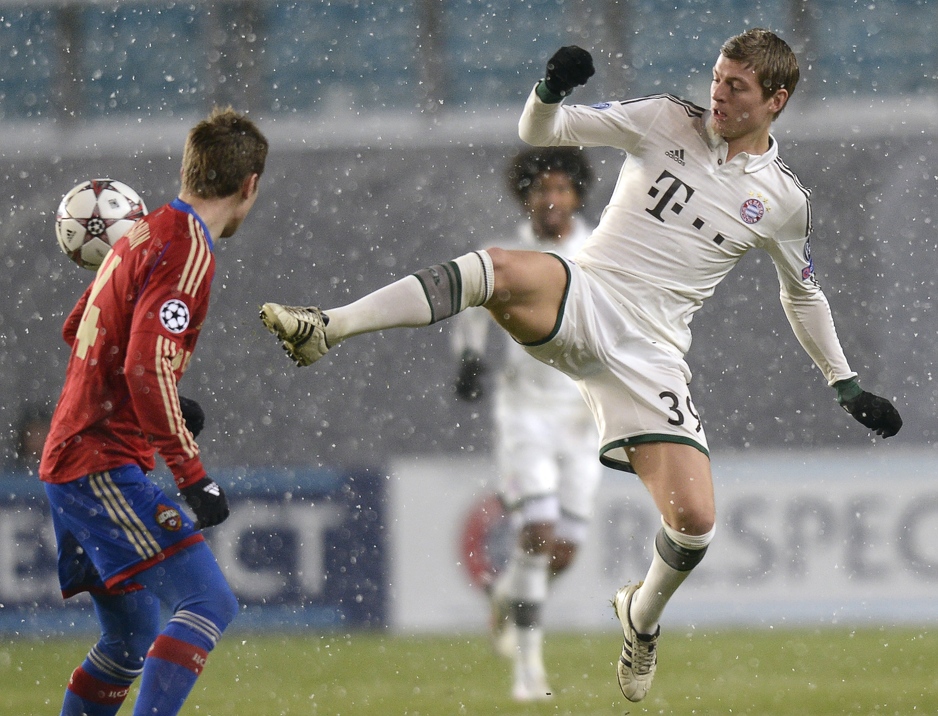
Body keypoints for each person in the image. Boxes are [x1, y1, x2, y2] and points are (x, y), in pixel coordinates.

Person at [258, 29, 902, 703]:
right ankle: (327, 328)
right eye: (716, 76)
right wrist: (550, 89)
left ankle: (640, 616)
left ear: (776, 100)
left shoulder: (782, 200)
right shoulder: (664, 118)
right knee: (496, 269)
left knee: (695, 525)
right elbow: (541, 129)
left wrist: (843, 382)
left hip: (650, 356)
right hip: (586, 296)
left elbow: (801, 290)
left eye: (735, 86)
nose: (717, 92)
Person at [40, 106, 268, 716]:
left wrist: (157, 400)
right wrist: (192, 476)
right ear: (250, 185)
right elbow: (144, 366)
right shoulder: (186, 248)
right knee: (208, 602)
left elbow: (78, 327)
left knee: (130, 633)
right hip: (99, 462)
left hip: (71, 459)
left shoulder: (140, 231)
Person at [451, 146, 601, 701]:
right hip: (525, 414)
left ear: (577, 195)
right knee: (537, 535)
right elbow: (470, 296)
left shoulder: (600, 251)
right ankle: (528, 673)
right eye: (541, 190)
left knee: (563, 551)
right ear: (526, 197)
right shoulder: (507, 253)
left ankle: (505, 594)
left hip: (583, 418)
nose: (551, 200)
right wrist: (469, 354)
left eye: (561, 189)